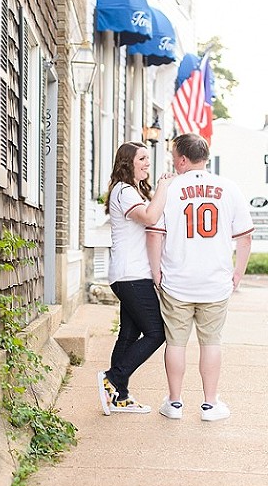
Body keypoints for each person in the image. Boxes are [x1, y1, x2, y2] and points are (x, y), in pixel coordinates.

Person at [146, 133, 254, 422]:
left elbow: (155, 236)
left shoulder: (169, 189)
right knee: (211, 343)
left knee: (176, 343)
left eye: (173, 157)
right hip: (215, 282)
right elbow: (245, 237)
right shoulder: (229, 188)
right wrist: (238, 273)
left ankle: (175, 402)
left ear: (182, 159)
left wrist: (155, 271)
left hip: (177, 281)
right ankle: (209, 404)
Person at [97, 141, 172, 415]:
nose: (147, 164)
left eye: (148, 160)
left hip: (128, 274)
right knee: (157, 331)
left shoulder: (128, 190)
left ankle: (119, 396)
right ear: (128, 162)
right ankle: (113, 379)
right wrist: (164, 187)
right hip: (132, 274)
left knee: (129, 334)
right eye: (142, 159)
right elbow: (151, 217)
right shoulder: (125, 191)